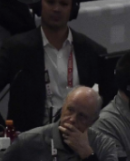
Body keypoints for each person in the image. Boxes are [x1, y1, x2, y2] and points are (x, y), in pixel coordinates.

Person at [0, 0, 106, 133]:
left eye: (63, 4)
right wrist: (3, 131)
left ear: (72, 9)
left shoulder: (92, 51)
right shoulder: (16, 49)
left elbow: (109, 102)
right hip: (29, 140)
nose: (56, 9)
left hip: (77, 137)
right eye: (50, 2)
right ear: (39, 5)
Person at [0, 86, 117, 161]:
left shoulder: (104, 145)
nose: (72, 119)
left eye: (82, 116)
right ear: (63, 107)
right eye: (70, 110)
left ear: (93, 121)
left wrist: (87, 154)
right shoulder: (28, 141)